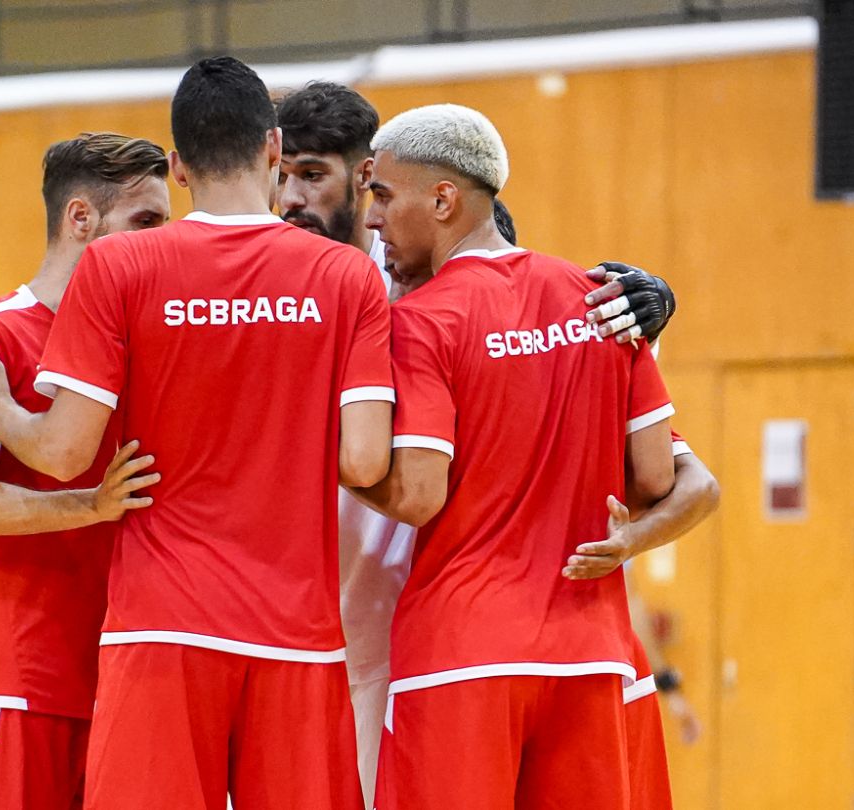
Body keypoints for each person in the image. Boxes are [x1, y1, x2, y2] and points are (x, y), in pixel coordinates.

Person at [0, 56, 390, 810]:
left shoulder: (120, 267)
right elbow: (366, 460)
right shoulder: (346, 277)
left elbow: (67, 451)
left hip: (162, 630)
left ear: (177, 167)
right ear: (273, 149)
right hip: (298, 633)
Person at [274, 81, 699, 809]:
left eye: (315, 176)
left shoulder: (417, 307)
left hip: (442, 643)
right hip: (554, 645)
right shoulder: (585, 298)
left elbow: (416, 495)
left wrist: (652, 326)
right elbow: (660, 476)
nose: (289, 197)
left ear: (434, 199)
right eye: (280, 175)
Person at [0, 133, 172, 810]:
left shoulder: (143, 347)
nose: (160, 245)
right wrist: (89, 505)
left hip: (121, 674)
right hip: (15, 672)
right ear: (81, 219)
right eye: (144, 223)